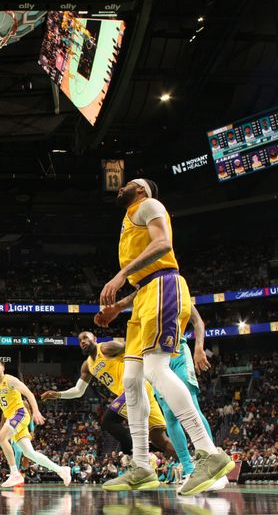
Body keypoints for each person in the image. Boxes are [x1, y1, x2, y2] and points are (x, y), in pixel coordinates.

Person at [99, 178, 233, 495]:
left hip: (164, 287)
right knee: (131, 380)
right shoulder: (129, 218)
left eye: (128, 183)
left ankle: (209, 453)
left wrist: (119, 276)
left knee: (156, 369)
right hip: (144, 295)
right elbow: (142, 279)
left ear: (142, 189)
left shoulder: (149, 205)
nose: (120, 187)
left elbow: (163, 246)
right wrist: (118, 306)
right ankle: (143, 466)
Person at [95, 297, 228, 492]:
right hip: (155, 358)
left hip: (178, 353)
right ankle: (190, 470)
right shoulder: (145, 296)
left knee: (191, 406)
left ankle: (215, 467)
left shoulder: (171, 286)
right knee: (170, 417)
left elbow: (198, 321)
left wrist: (199, 347)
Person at [40, 333, 178, 482]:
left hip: (135, 387)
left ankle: (138, 458)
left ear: (95, 339)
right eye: (80, 341)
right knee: (160, 439)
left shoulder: (106, 348)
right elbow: (78, 391)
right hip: (136, 392)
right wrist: (57, 394)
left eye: (86, 338)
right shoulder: (87, 366)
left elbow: (132, 348)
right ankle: (190, 464)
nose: (83, 342)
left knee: (108, 421)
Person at [0, 359, 71, 488]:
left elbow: (29, 394)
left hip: (20, 413)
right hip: (11, 418)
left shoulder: (11, 380)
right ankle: (62, 470)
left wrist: (35, 411)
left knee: (1, 437)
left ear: (3, 368)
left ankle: (14, 473)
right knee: (30, 454)